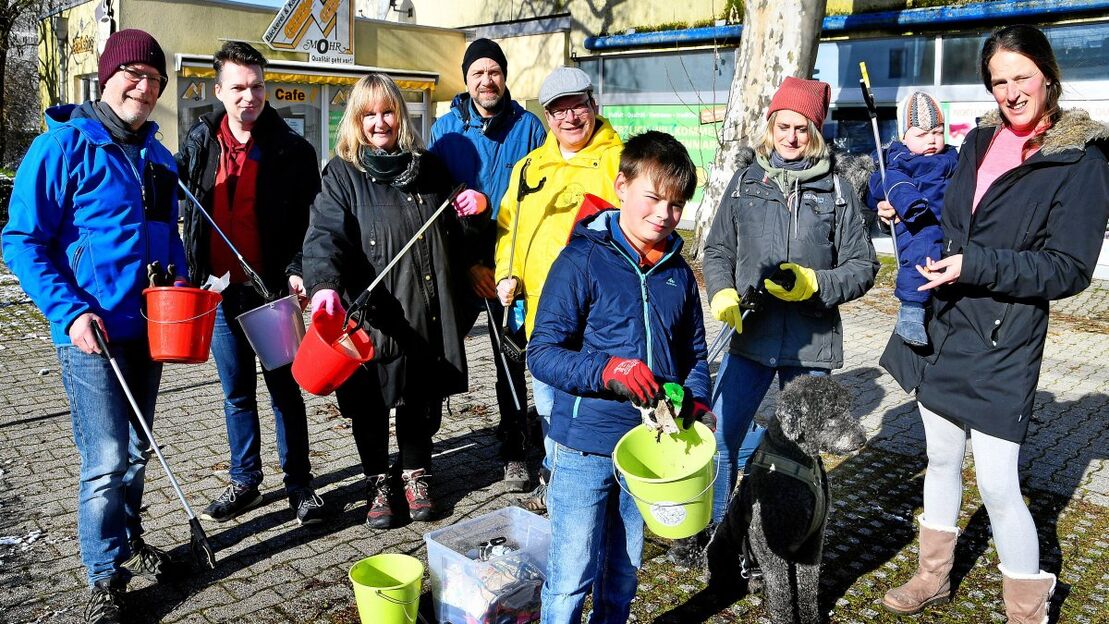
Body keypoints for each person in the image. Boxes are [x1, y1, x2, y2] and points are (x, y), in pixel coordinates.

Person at [878, 25, 1109, 622]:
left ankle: (1026, 606)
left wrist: (973, 263)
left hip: (1004, 340)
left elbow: (1069, 269)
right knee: (941, 460)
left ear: (1049, 76)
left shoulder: (1080, 161)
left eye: (1021, 76)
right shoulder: (979, 140)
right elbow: (951, 216)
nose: (1010, 92)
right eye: (998, 80)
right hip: (943, 322)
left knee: (1001, 483)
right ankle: (933, 576)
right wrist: (901, 215)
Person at [1, 29, 186, 624]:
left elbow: (166, 239)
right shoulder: (62, 147)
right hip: (89, 334)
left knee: (136, 453)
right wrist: (69, 310)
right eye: (134, 73)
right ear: (106, 78)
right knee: (105, 458)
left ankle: (130, 541)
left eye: (154, 78)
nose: (145, 86)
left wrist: (181, 288)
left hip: (146, 331)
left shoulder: (160, 159)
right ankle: (103, 576)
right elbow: (23, 241)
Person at [527, 131, 713, 623]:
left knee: (625, 573)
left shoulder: (678, 271)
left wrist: (694, 403)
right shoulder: (582, 259)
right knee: (570, 576)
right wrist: (609, 369)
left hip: (649, 450)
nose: (663, 214)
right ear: (622, 186)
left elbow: (694, 354)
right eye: (653, 197)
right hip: (584, 444)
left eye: (676, 205)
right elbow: (542, 353)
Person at [302, 73, 486, 529]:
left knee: (420, 399)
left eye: (387, 112)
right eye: (369, 115)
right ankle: (376, 480)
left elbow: (454, 234)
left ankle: (415, 473)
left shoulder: (428, 168)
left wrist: (475, 213)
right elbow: (325, 235)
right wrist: (323, 283)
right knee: (370, 403)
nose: (380, 123)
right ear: (356, 121)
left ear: (400, 115)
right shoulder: (343, 174)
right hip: (373, 314)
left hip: (425, 305)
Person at [700, 76, 878, 549]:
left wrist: (817, 284)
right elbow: (716, 250)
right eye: (784, 125)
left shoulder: (837, 189)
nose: (792, 137)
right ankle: (714, 531)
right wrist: (721, 293)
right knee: (721, 438)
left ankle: (792, 540)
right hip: (751, 335)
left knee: (802, 451)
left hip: (811, 342)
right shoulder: (745, 182)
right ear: (771, 126)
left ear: (815, 131)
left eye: (802, 128)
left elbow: (864, 267)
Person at [177, 42, 328, 526]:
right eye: (238, 87)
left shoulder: (292, 150)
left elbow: (313, 222)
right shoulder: (200, 143)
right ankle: (245, 480)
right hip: (217, 294)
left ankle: (300, 486)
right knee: (236, 391)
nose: (250, 96)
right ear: (219, 90)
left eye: (257, 86)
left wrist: (300, 269)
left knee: (285, 389)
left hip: (270, 293)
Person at [495, 66, 624, 512]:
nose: (569, 116)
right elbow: (508, 229)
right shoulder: (529, 166)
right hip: (542, 317)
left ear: (593, 105)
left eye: (577, 104)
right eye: (557, 109)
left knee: (593, 408)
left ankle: (605, 490)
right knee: (549, 406)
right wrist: (505, 274)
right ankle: (557, 480)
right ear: (546, 116)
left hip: (599, 320)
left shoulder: (621, 162)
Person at [428, 38, 546, 492]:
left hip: (510, 266)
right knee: (438, 353)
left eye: (493, 71)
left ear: (504, 76)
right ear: (466, 79)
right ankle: (422, 451)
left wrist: (488, 203)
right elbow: (432, 203)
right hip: (457, 267)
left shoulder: (530, 129)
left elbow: (536, 202)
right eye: (477, 72)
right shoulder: (445, 131)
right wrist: (465, 266)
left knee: (510, 360)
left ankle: (515, 448)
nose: (486, 80)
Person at [867, 91, 959, 346]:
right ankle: (911, 310)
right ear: (903, 136)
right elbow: (879, 187)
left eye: (938, 132)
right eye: (921, 134)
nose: (931, 139)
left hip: (950, 228)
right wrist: (901, 203)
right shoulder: (896, 163)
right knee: (925, 248)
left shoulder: (953, 158)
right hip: (917, 224)